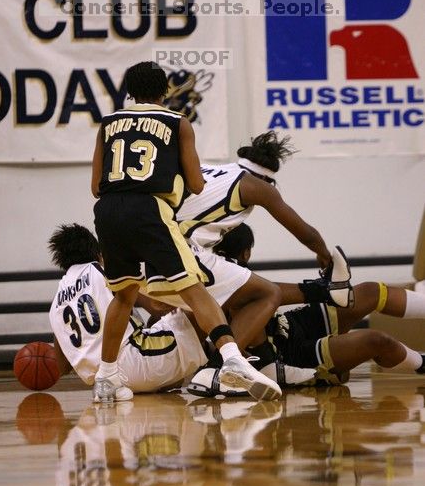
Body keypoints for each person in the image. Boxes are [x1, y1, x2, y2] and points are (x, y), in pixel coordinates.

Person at [90, 62, 282, 403]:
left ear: (129, 92)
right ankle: (232, 360)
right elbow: (196, 183)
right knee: (196, 291)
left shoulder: (108, 124)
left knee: (123, 295)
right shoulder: (178, 123)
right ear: (165, 91)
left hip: (106, 211)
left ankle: (106, 378)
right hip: (148, 210)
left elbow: (95, 186)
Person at [48, 224, 314, 395]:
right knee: (213, 293)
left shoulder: (57, 302)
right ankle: (232, 365)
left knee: (189, 312)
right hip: (138, 362)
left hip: (107, 381)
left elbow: (63, 364)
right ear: (97, 252)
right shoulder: (101, 271)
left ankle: (230, 360)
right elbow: (153, 303)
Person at [187, 224, 425, 396]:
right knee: (375, 340)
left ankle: (325, 292)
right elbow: (264, 295)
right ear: (247, 252)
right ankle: (421, 363)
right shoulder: (209, 281)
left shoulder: (217, 269)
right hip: (287, 356)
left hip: (289, 325)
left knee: (370, 292)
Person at [176, 130, 353, 308]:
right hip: (181, 251)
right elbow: (306, 234)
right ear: (264, 179)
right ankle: (323, 292)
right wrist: (324, 256)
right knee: (265, 294)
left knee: (222, 295)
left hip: (155, 241)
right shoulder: (255, 185)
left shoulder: (210, 168)